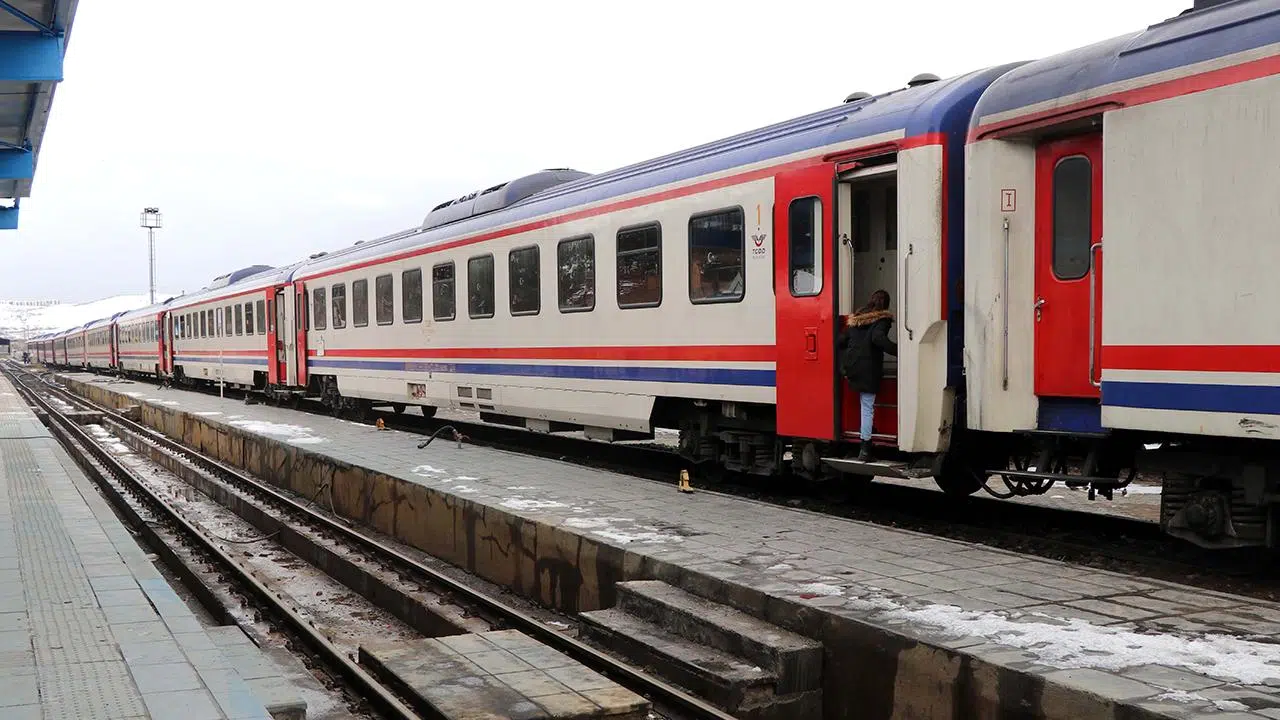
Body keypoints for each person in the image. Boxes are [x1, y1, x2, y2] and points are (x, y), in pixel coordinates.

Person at [839, 290, 898, 461]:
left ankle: (867, 430)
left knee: (864, 404)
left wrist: (847, 360)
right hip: (868, 369)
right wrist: (900, 350)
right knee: (867, 406)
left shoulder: (857, 318)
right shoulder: (882, 319)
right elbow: (878, 338)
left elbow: (841, 340)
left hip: (852, 368)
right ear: (886, 304)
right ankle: (865, 449)